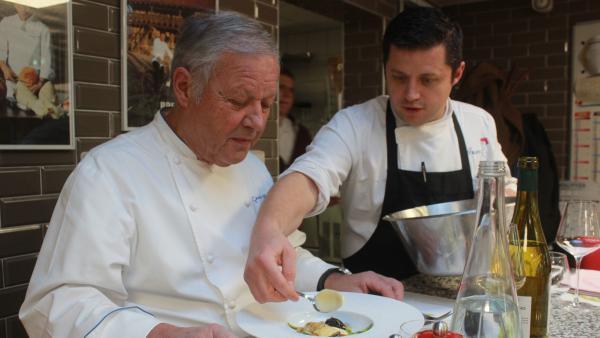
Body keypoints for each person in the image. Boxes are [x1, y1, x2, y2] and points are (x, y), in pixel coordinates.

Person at [19, 12, 403, 338]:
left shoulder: (251, 167)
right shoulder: (109, 173)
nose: (256, 122)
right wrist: (155, 333)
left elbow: (281, 256)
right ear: (185, 87)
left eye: (266, 104)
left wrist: (334, 280)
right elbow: (58, 301)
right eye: (238, 101)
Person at [244, 7, 517, 302]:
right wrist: (269, 230)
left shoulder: (478, 123)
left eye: (428, 80)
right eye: (399, 77)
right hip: (374, 306)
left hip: (465, 299)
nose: (411, 93)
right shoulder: (355, 124)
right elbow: (308, 176)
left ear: (457, 74)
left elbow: (503, 195)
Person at [0, 5, 62, 118]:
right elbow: (1, 51)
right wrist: (5, 69)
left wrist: (39, 83)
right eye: (20, 4)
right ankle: (51, 111)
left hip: (38, 79)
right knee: (27, 101)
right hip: (16, 80)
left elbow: (47, 58)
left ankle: (51, 111)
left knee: (48, 90)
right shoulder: (6, 23)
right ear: (14, 4)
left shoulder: (43, 28)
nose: (23, 8)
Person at [278, 67, 312, 172]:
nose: (287, 95)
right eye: (281, 87)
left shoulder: (303, 134)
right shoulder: (256, 130)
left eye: (291, 90)